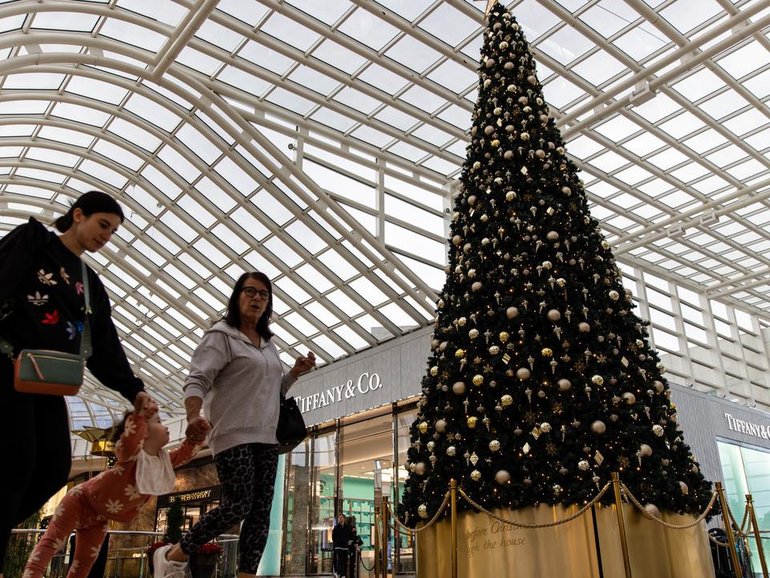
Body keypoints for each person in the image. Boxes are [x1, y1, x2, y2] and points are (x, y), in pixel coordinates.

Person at [0, 191, 147, 576]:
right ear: (78, 215)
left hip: (47, 382)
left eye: (113, 232)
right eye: (103, 224)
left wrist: (134, 389)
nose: (106, 236)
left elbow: (104, 343)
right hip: (7, 367)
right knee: (17, 463)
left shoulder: (89, 282)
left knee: (53, 466)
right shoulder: (34, 241)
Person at [153, 271, 316, 578]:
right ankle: (174, 553)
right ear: (237, 296)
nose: (257, 298)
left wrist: (294, 373)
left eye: (263, 295)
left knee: (260, 513)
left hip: (267, 436)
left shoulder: (268, 344)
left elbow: (272, 391)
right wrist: (193, 416)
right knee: (237, 505)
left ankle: (247, 574)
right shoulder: (221, 335)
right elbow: (197, 379)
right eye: (250, 291)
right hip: (232, 434)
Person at [23, 392, 204, 578]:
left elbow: (184, 454)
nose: (165, 427)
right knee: (51, 543)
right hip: (78, 501)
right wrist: (140, 415)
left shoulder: (161, 461)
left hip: (100, 517)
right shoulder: (130, 456)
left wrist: (197, 436)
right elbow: (129, 442)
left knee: (85, 561)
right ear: (143, 433)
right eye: (158, 422)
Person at [332, 514, 350, 578]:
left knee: (345, 561)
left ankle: (343, 574)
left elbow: (349, 535)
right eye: (339, 518)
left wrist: (347, 542)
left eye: (341, 517)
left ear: (344, 518)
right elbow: (333, 537)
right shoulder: (336, 527)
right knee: (340, 560)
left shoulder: (347, 527)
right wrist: (337, 543)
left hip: (345, 547)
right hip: (338, 547)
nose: (340, 519)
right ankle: (339, 573)